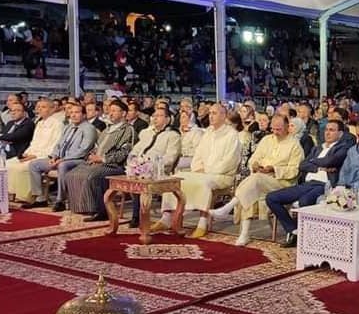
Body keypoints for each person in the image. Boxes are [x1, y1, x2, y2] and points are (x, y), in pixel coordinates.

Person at [210, 114, 304, 246]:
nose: (275, 132)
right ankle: (244, 234)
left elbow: (295, 171)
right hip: (259, 179)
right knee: (252, 187)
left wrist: (274, 169)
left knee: (254, 180)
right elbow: (254, 158)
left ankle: (229, 207)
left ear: (288, 127)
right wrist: (254, 165)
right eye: (273, 129)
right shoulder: (266, 140)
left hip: (281, 183)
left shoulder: (295, 145)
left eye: (279, 129)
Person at [151, 103, 242, 238]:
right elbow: (198, 155)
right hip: (202, 172)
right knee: (175, 179)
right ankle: (166, 218)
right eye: (210, 113)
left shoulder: (232, 135)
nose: (210, 116)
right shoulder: (208, 132)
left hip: (222, 175)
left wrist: (208, 170)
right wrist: (198, 168)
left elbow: (230, 161)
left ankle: (202, 223)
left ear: (224, 116)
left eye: (214, 113)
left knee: (205, 183)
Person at [266, 119, 351, 248]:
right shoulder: (317, 148)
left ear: (340, 134)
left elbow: (330, 160)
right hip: (307, 183)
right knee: (271, 198)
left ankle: (308, 240)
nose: (327, 133)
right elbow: (302, 165)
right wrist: (318, 167)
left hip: (324, 185)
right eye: (326, 130)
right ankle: (293, 230)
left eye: (332, 130)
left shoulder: (343, 148)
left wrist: (314, 162)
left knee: (304, 201)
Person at [63, 100, 135, 220]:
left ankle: (96, 210)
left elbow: (124, 152)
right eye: (110, 111)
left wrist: (102, 159)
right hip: (97, 162)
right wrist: (92, 156)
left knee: (92, 176)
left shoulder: (128, 130)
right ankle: (80, 208)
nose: (110, 113)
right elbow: (96, 146)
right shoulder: (107, 130)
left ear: (123, 113)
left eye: (114, 111)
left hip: (114, 165)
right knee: (72, 174)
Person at [25, 103, 98, 211]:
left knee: (63, 165)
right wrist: (54, 156)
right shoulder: (68, 127)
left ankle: (60, 200)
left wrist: (63, 159)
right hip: (60, 159)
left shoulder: (89, 128)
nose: (73, 115)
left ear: (84, 115)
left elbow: (84, 150)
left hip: (79, 160)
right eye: (71, 112)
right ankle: (40, 199)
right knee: (34, 165)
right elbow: (59, 144)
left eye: (77, 112)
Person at [126, 107, 181, 227]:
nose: (155, 118)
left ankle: (139, 217)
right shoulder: (148, 133)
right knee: (132, 177)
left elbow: (170, 159)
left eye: (159, 116)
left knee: (140, 181)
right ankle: (138, 215)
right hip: (140, 167)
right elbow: (135, 150)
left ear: (167, 119)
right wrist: (134, 161)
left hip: (159, 171)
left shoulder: (173, 135)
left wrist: (149, 164)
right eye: (153, 116)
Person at [7, 98, 65, 203]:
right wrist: (26, 154)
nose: (40, 109)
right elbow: (33, 143)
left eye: (43, 107)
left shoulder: (57, 124)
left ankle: (27, 197)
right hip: (33, 154)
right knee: (9, 163)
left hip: (44, 156)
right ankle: (12, 193)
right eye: (38, 107)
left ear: (52, 109)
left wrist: (34, 156)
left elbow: (54, 146)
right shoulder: (39, 123)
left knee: (21, 168)